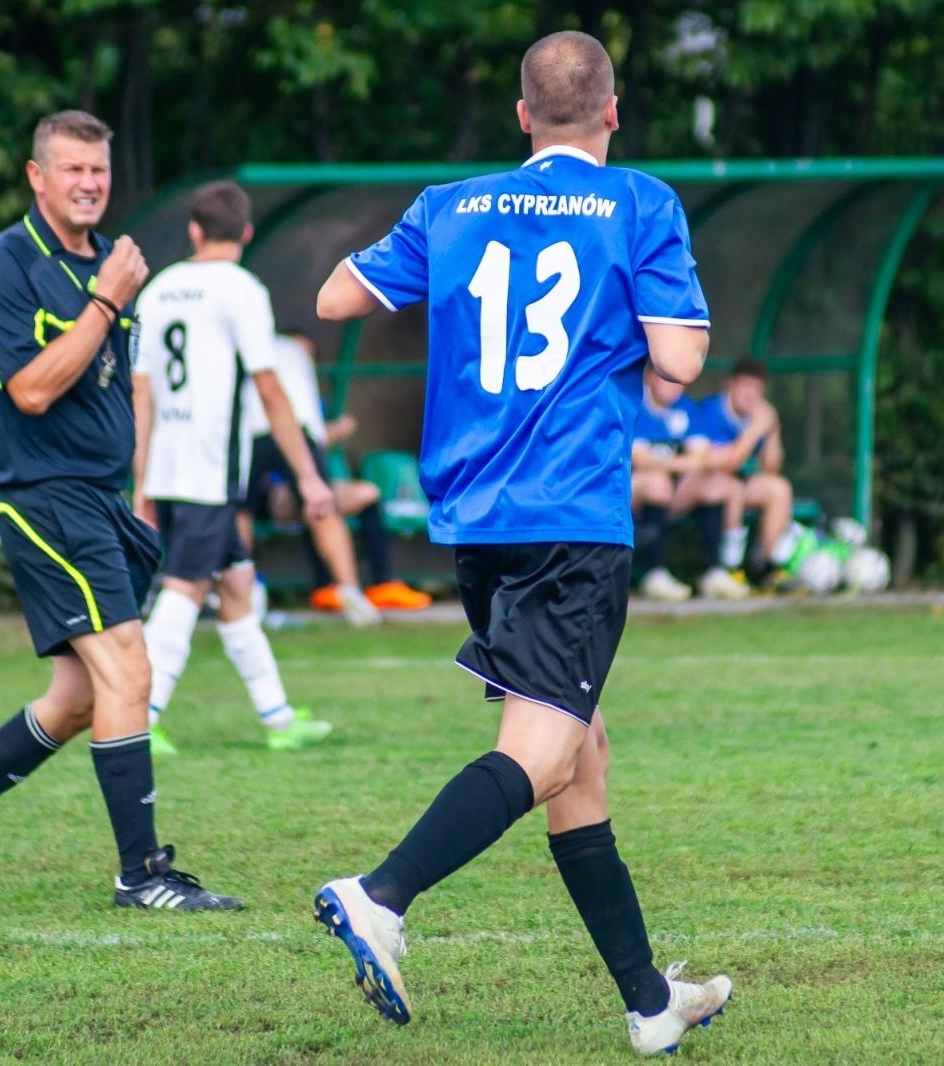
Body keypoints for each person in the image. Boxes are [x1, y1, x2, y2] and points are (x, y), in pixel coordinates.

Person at [310, 31, 732, 1056]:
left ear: (521, 116)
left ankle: (648, 1002)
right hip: (570, 516)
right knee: (540, 754)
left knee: (581, 754)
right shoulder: (639, 203)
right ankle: (380, 894)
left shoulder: (450, 205)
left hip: (478, 520)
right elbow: (678, 362)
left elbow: (334, 299)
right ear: (613, 112)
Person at [0, 110, 242, 913]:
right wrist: (106, 303)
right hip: (47, 497)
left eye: (99, 170)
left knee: (79, 699)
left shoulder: (111, 262)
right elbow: (32, 390)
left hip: (104, 501)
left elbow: (117, 392)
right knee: (129, 669)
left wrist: (138, 491)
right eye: (72, 169)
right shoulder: (6, 264)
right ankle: (141, 874)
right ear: (36, 176)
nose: (88, 183)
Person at [131, 181, 337, 756]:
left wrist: (142, 481)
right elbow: (269, 386)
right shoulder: (241, 289)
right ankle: (137, 719)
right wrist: (309, 476)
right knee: (185, 586)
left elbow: (141, 392)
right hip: (210, 469)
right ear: (246, 232)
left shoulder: (158, 290)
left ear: (194, 231)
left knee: (238, 585)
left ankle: (278, 719)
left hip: (170, 465)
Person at [240, 331, 432, 617]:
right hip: (280, 465)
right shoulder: (285, 358)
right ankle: (347, 587)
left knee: (249, 507)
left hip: (261, 447)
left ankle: (243, 588)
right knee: (317, 503)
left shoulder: (262, 356)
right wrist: (335, 432)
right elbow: (310, 434)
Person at [631, 365, 771, 601]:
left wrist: (669, 463)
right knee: (657, 483)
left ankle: (717, 572)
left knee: (718, 486)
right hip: (627, 493)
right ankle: (652, 573)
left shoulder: (685, 408)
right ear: (650, 377)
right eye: (667, 379)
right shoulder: (636, 404)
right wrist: (685, 463)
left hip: (675, 491)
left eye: (678, 380)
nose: (674, 386)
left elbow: (702, 456)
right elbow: (640, 460)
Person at [691, 357, 795, 582]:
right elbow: (727, 463)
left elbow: (771, 467)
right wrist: (755, 430)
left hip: (739, 483)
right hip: (705, 486)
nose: (750, 395)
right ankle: (730, 569)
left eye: (757, 389)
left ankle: (768, 564)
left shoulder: (756, 416)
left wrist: (772, 430)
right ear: (731, 384)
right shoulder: (712, 410)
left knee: (779, 489)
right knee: (733, 487)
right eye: (746, 386)